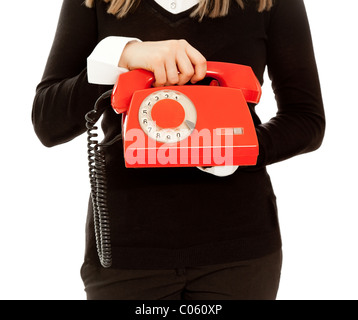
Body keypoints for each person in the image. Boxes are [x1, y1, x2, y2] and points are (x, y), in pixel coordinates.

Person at [32, 0, 325, 300]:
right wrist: (122, 56)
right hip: (123, 249)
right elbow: (47, 122)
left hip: (240, 250)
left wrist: (240, 149)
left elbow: (307, 119)